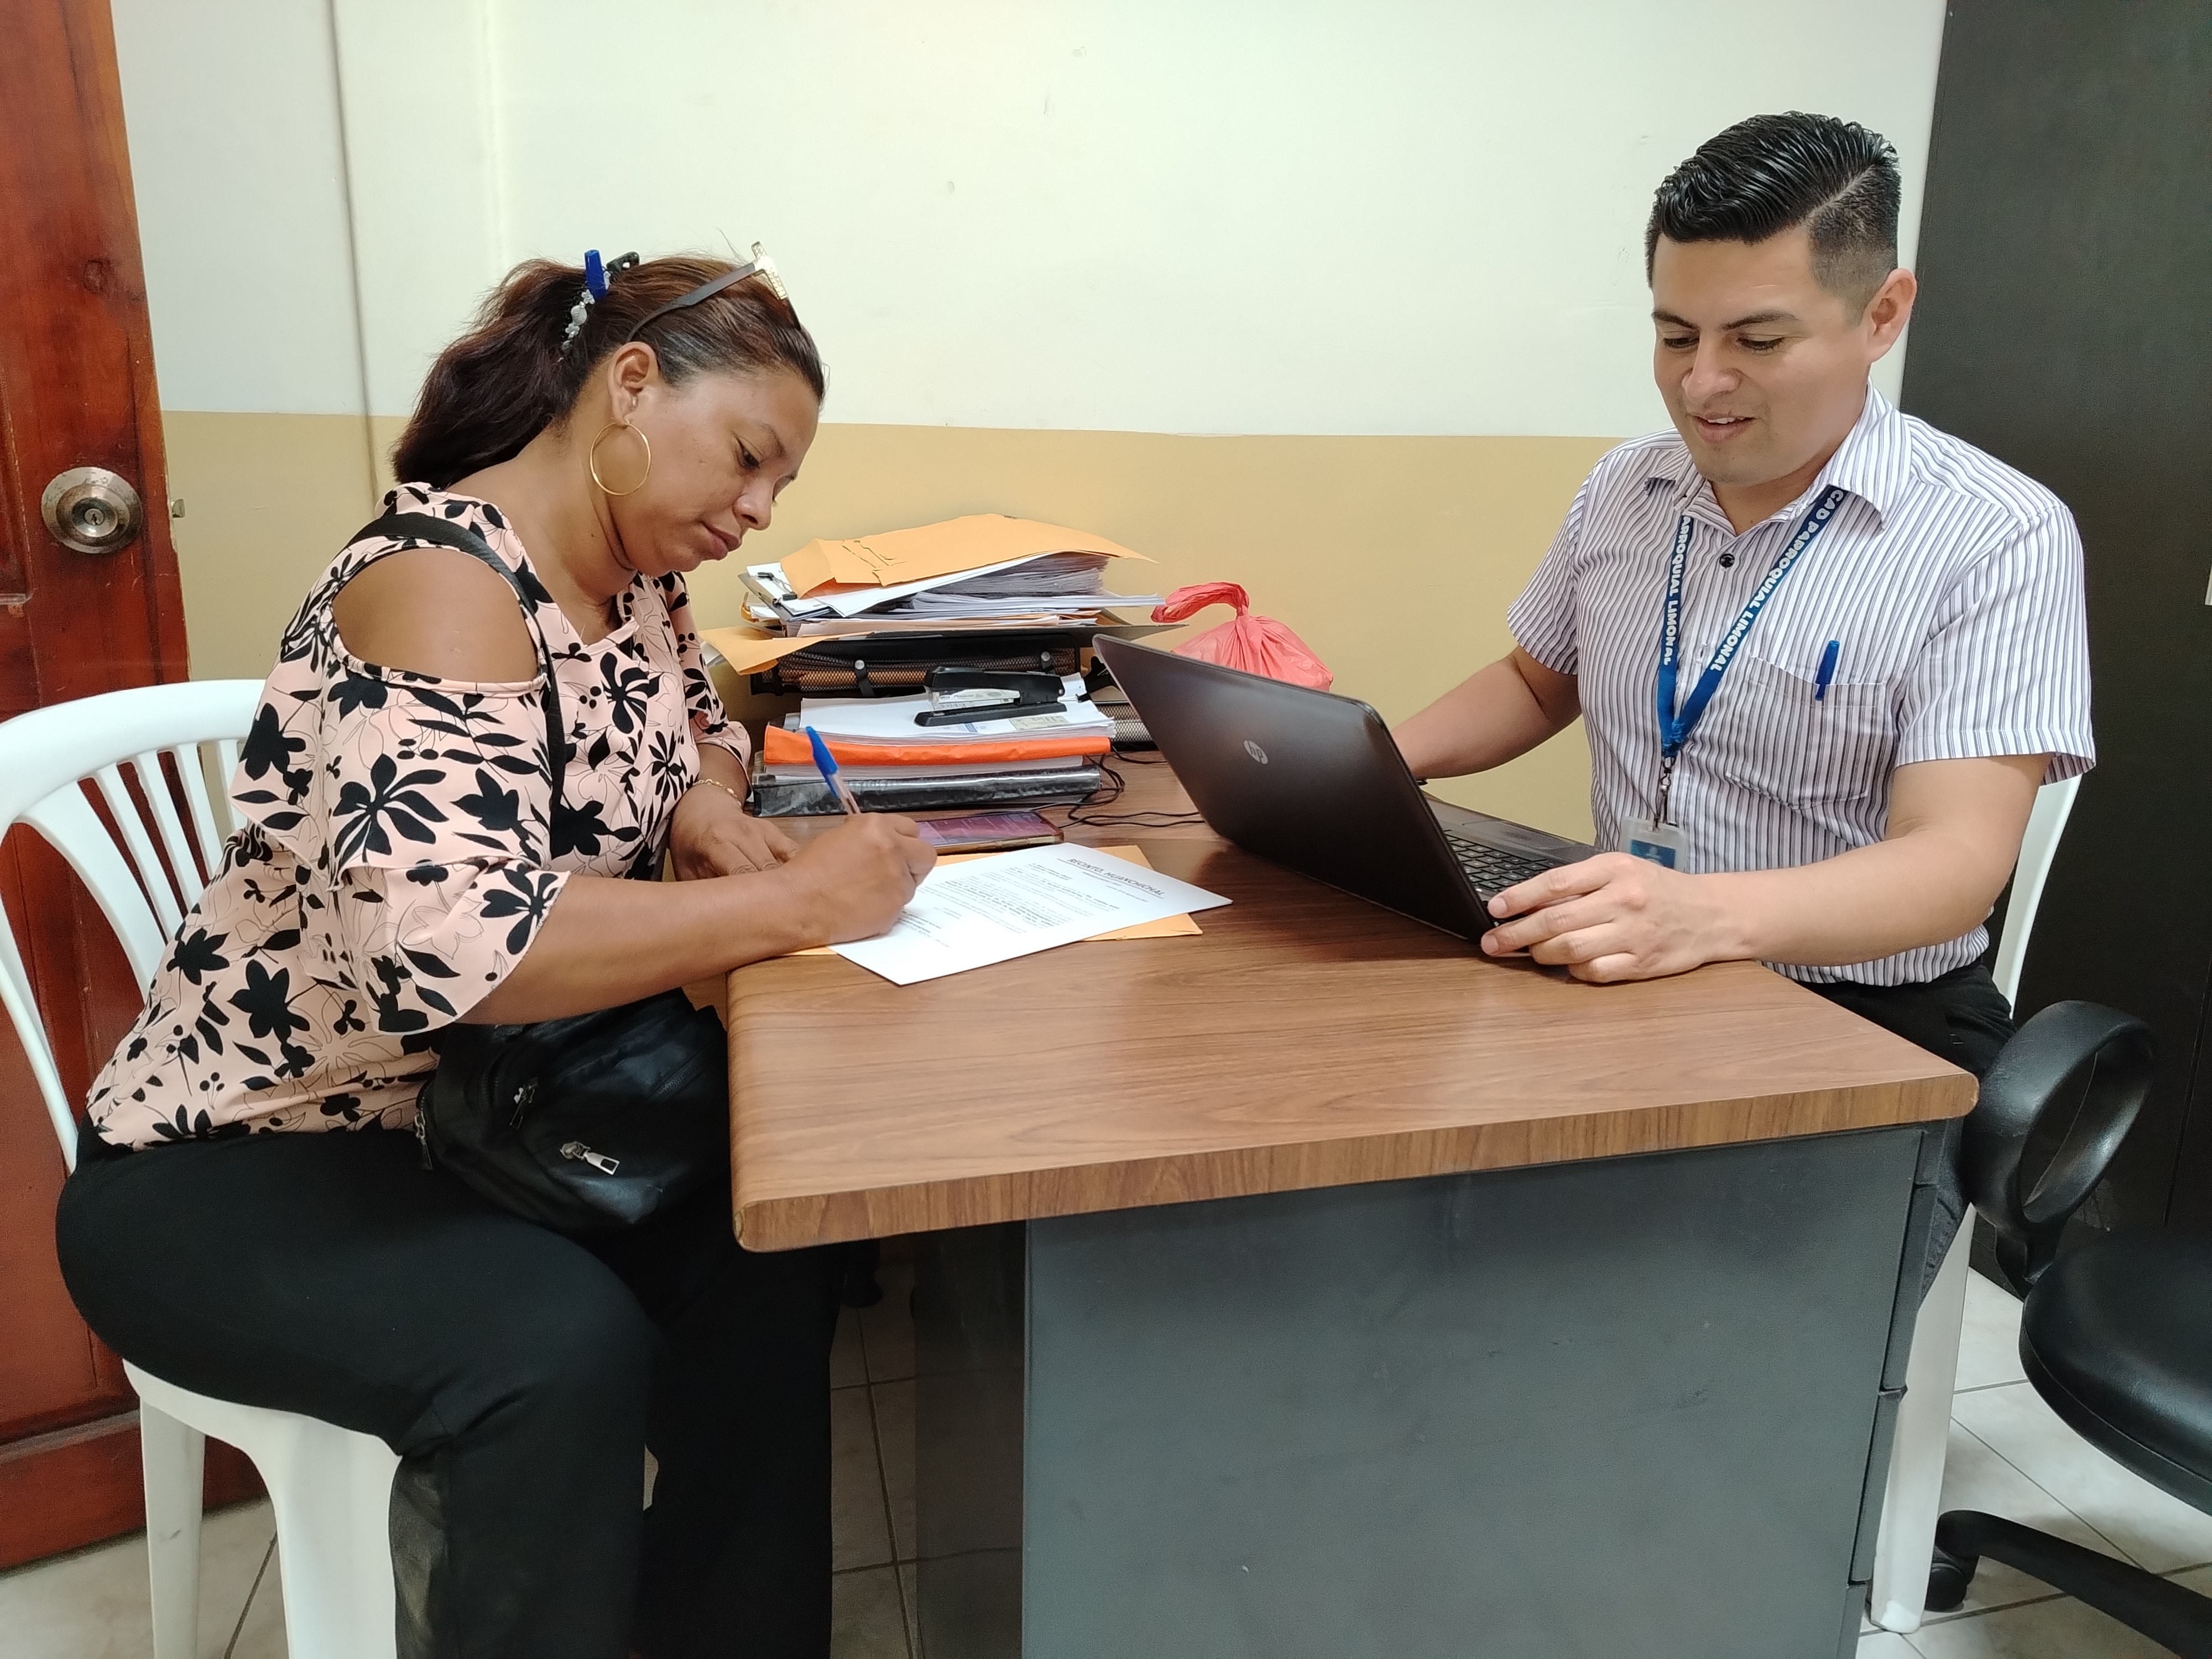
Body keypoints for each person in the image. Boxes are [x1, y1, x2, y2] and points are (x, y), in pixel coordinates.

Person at [55, 248, 935, 1658]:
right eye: (748, 457)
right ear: (630, 385)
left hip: (496, 1116)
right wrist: (800, 906)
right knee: (554, 1351)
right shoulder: (439, 585)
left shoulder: (633, 584)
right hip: (253, 1153)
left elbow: (703, 723)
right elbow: (454, 950)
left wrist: (705, 806)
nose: (758, 509)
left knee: (769, 1255)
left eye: (780, 483)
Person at [1395, 113, 2094, 1266]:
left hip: (1858, 1020)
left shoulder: (1994, 534)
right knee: (1415, 1220)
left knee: (1685, 1328)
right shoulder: (1627, 487)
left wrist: (1705, 917)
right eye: (1674, 335)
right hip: (1631, 978)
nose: (1702, 383)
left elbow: (1954, 862)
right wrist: (1367, 761)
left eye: (1757, 340)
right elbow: (1534, 680)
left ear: (1882, 314)